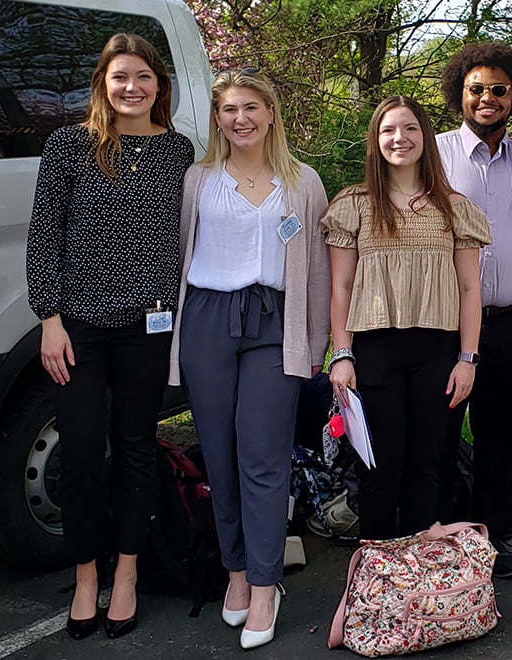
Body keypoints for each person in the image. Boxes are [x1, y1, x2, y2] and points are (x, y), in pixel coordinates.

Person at [25, 33, 194, 641]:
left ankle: (126, 572)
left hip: (148, 326)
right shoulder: (70, 146)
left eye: (143, 77)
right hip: (78, 329)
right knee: (80, 453)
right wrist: (48, 318)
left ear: (159, 85)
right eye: (120, 76)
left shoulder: (179, 152)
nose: (132, 87)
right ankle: (86, 576)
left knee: (136, 449)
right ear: (103, 83)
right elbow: (45, 235)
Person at [167, 68, 329, 650]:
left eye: (252, 108)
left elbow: (315, 270)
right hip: (209, 319)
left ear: (271, 115)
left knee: (263, 456)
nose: (241, 119)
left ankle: (265, 583)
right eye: (230, 109)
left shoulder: (302, 182)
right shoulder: (198, 179)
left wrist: (316, 345)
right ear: (218, 118)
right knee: (220, 454)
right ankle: (234, 572)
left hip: (274, 323)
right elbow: (178, 257)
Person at [322, 96, 491, 541]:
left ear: (426, 137)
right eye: (389, 130)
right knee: (379, 465)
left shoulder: (455, 208)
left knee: (427, 465)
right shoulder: (354, 205)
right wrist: (341, 354)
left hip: (437, 351)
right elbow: (339, 288)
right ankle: (376, 577)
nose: (400, 138)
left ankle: (417, 577)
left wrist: (468, 358)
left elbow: (471, 289)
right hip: (375, 350)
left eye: (411, 128)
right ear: (376, 141)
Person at [435, 42, 512, 578]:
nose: (487, 98)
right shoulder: (431, 154)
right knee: (439, 430)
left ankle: (492, 535)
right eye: (476, 88)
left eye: (498, 90)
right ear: (459, 93)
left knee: (499, 435)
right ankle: (436, 535)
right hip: (445, 322)